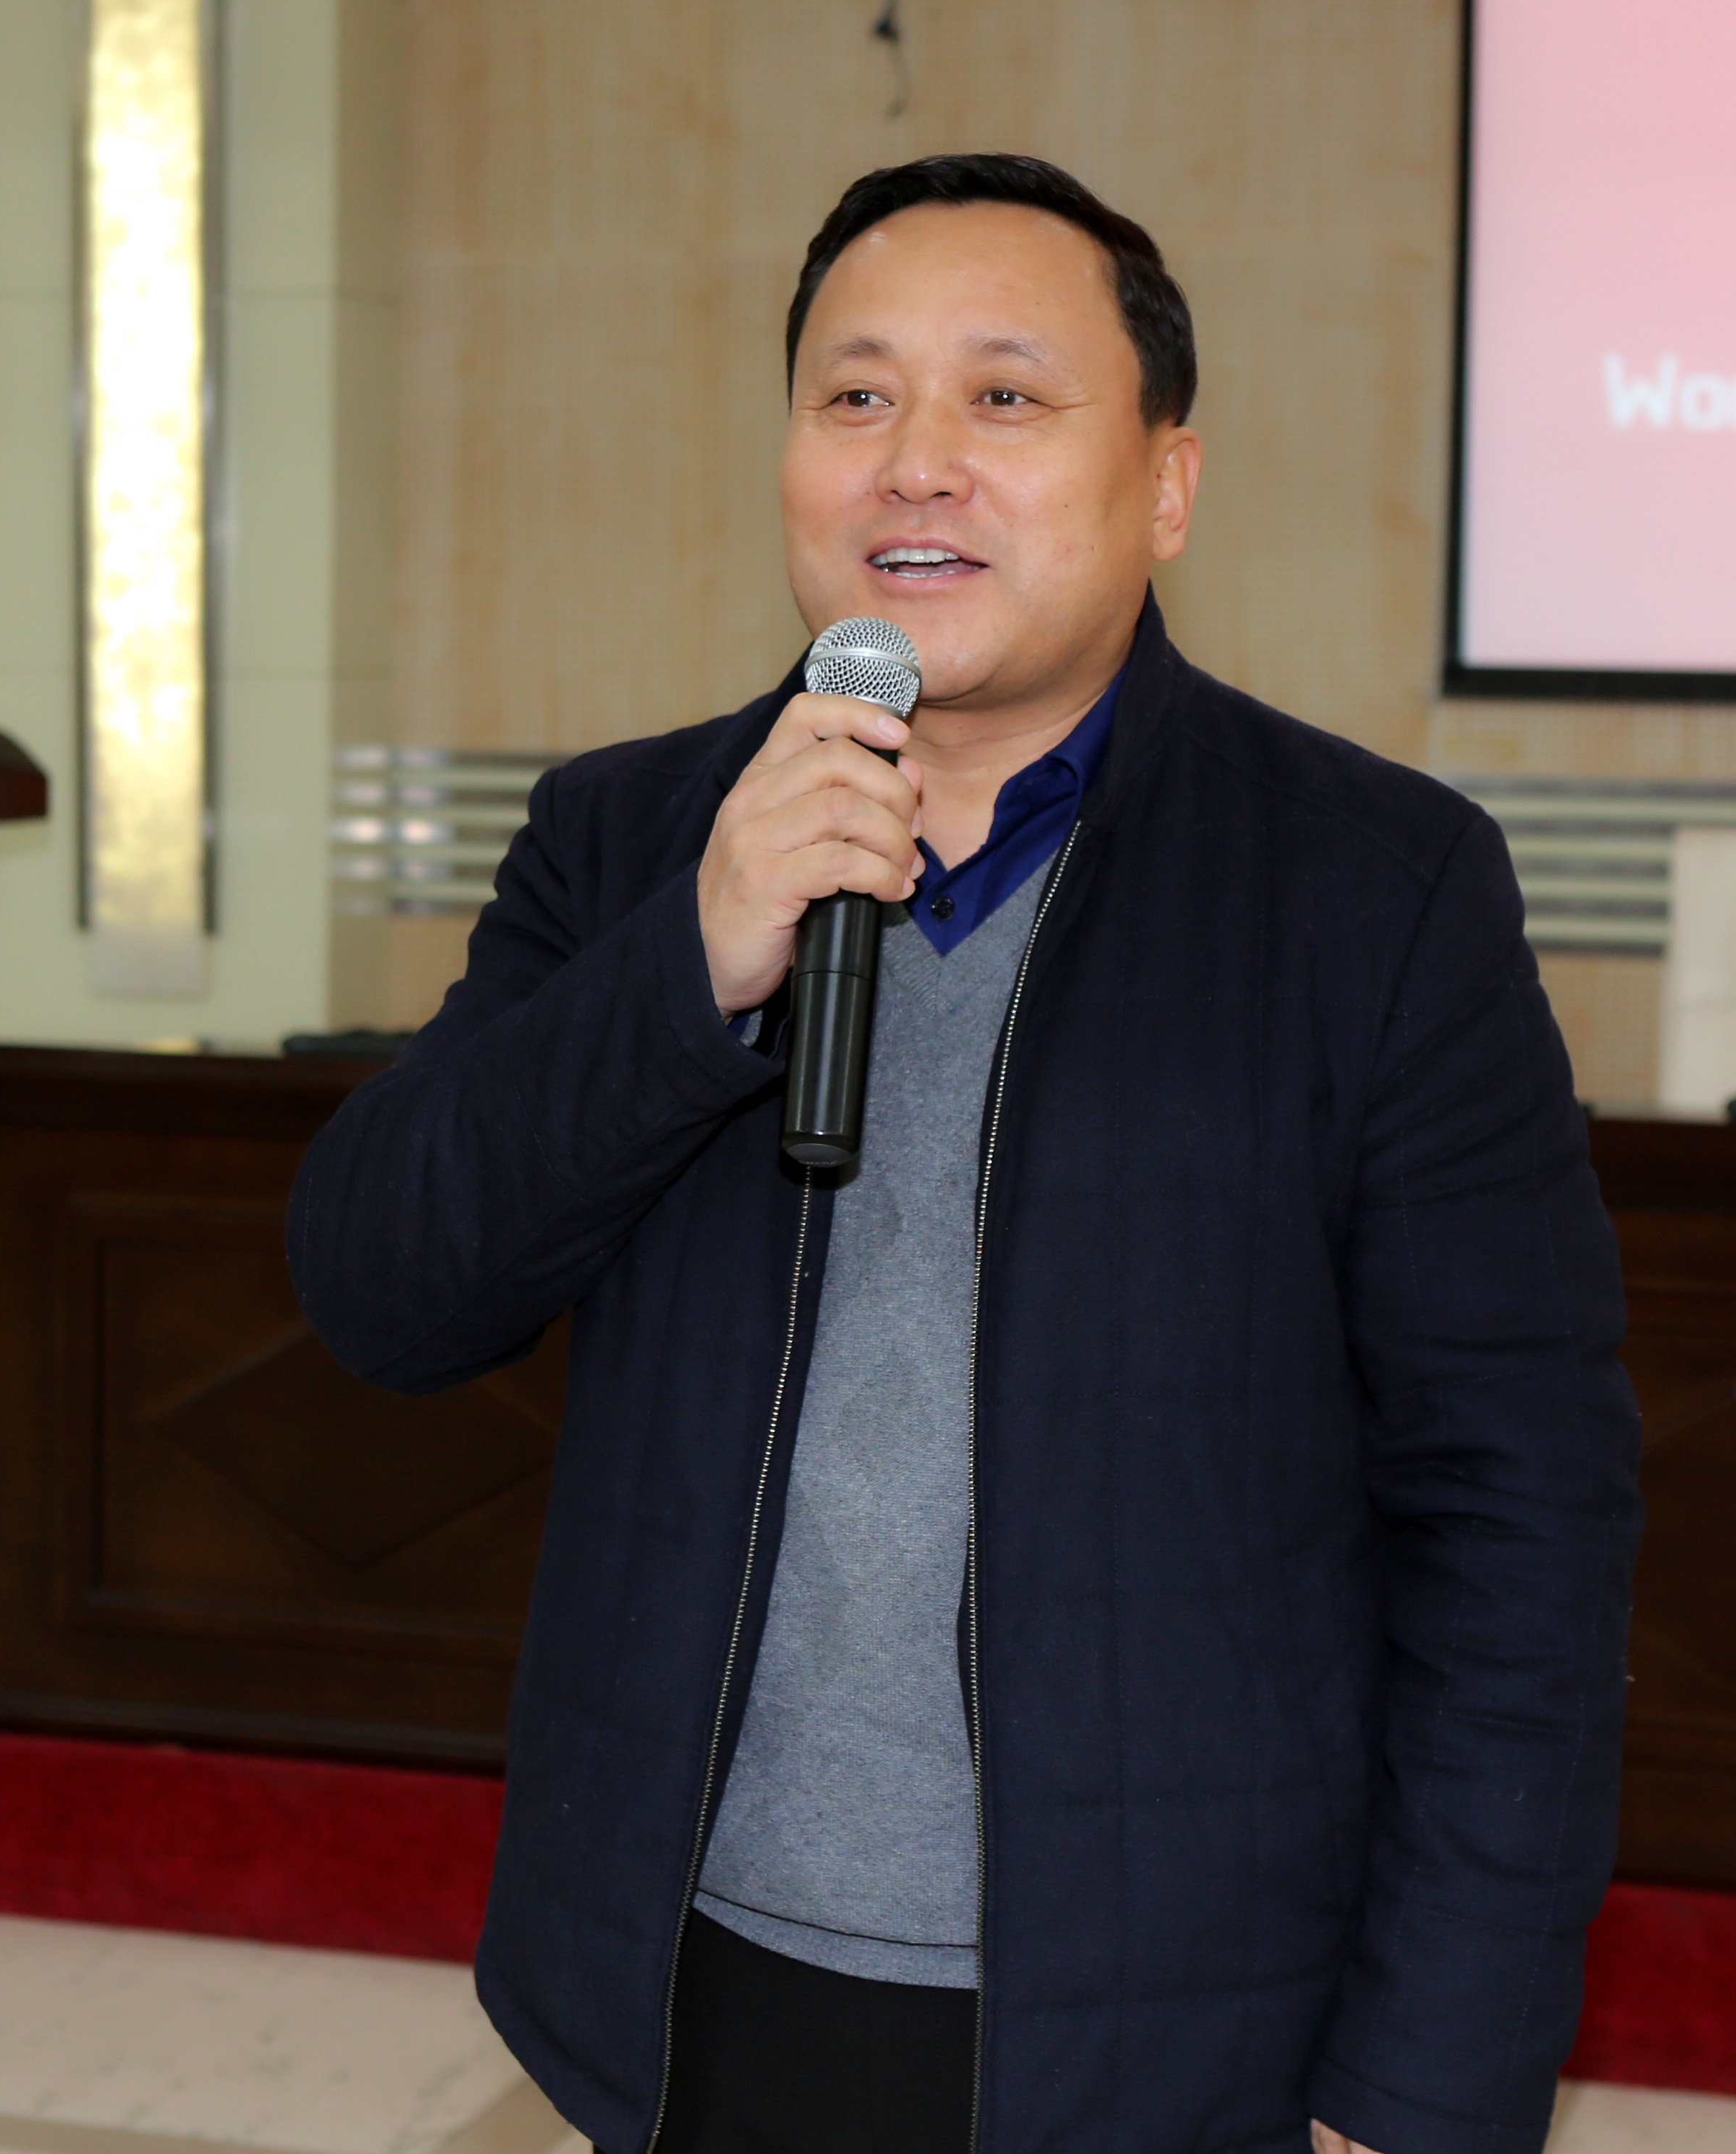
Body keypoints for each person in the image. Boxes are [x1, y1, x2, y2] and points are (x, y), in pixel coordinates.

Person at [289, 154, 1641, 2154]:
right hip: (692, 1972)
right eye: (856, 396)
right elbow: (384, 1287)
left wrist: (1427, 2080)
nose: (916, 459)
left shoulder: (1375, 891)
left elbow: (1521, 1518)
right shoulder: (630, 841)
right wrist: (692, 964)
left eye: (1005, 396)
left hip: (1185, 2018)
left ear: (1165, 484)